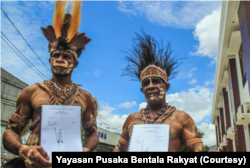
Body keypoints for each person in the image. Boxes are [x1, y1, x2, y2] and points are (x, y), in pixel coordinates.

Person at [2, 0, 99, 167]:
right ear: (50, 60)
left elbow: (93, 134)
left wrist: (86, 150)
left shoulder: (85, 98)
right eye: (56, 56)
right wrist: (22, 149)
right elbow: (11, 130)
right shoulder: (31, 92)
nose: (60, 60)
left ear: (74, 64)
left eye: (67, 57)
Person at [113, 32, 204, 152]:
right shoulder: (132, 119)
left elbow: (196, 149)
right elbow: (119, 149)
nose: (150, 86)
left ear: (166, 87)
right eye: (146, 83)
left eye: (156, 81)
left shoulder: (182, 118)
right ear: (142, 90)